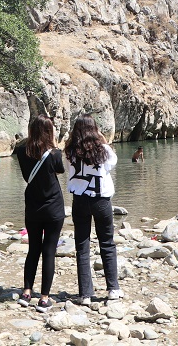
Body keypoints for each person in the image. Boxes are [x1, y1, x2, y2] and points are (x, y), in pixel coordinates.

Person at [65, 114, 122, 304]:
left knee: (82, 245)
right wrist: (103, 140)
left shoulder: (70, 151)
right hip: (101, 201)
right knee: (107, 243)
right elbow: (112, 165)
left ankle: (85, 294)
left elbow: (69, 170)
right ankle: (113, 289)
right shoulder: (103, 150)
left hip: (79, 200)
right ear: (94, 129)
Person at [13, 114, 65, 313]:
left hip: (32, 206)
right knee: (49, 251)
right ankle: (44, 298)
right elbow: (59, 171)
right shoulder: (54, 154)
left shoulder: (20, 151)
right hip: (53, 206)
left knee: (33, 249)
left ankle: (27, 292)